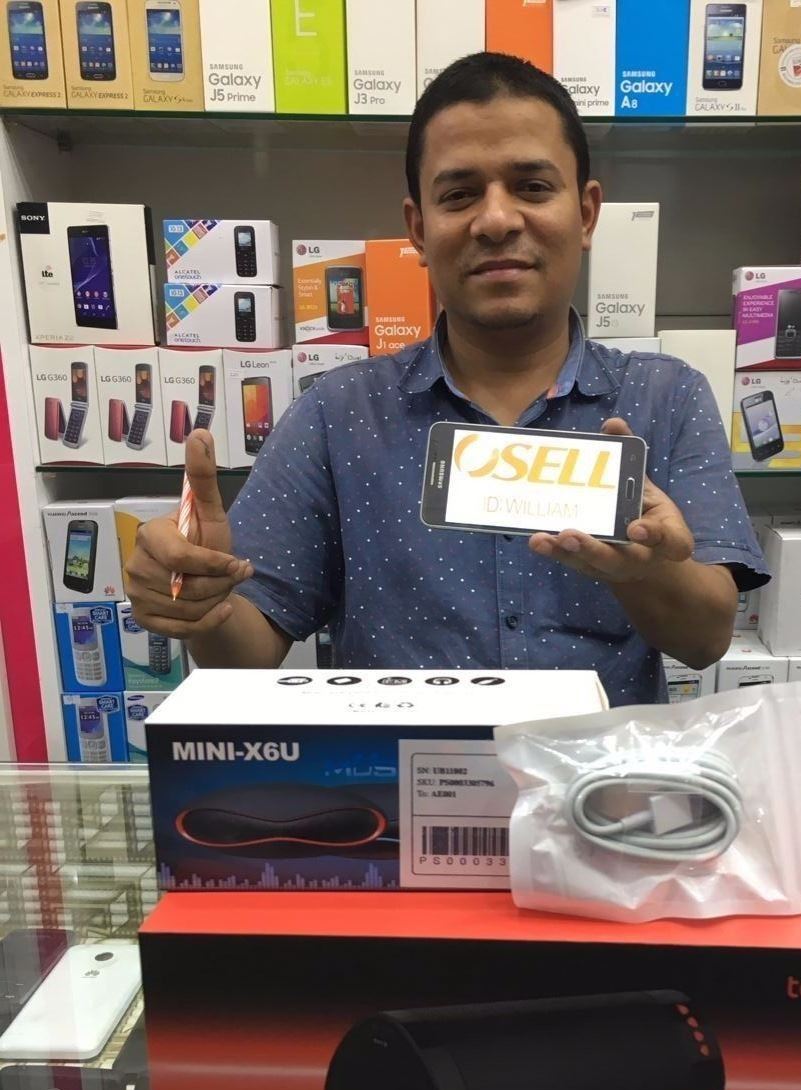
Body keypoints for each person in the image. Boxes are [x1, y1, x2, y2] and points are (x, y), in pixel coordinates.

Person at [125, 53, 767, 705]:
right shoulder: (337, 413)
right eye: (459, 195)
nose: (496, 220)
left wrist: (649, 574)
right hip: (397, 768)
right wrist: (200, 602)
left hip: (596, 772)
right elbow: (246, 653)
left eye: (532, 187)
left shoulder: (666, 397)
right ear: (418, 229)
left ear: (586, 214)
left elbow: (705, 639)